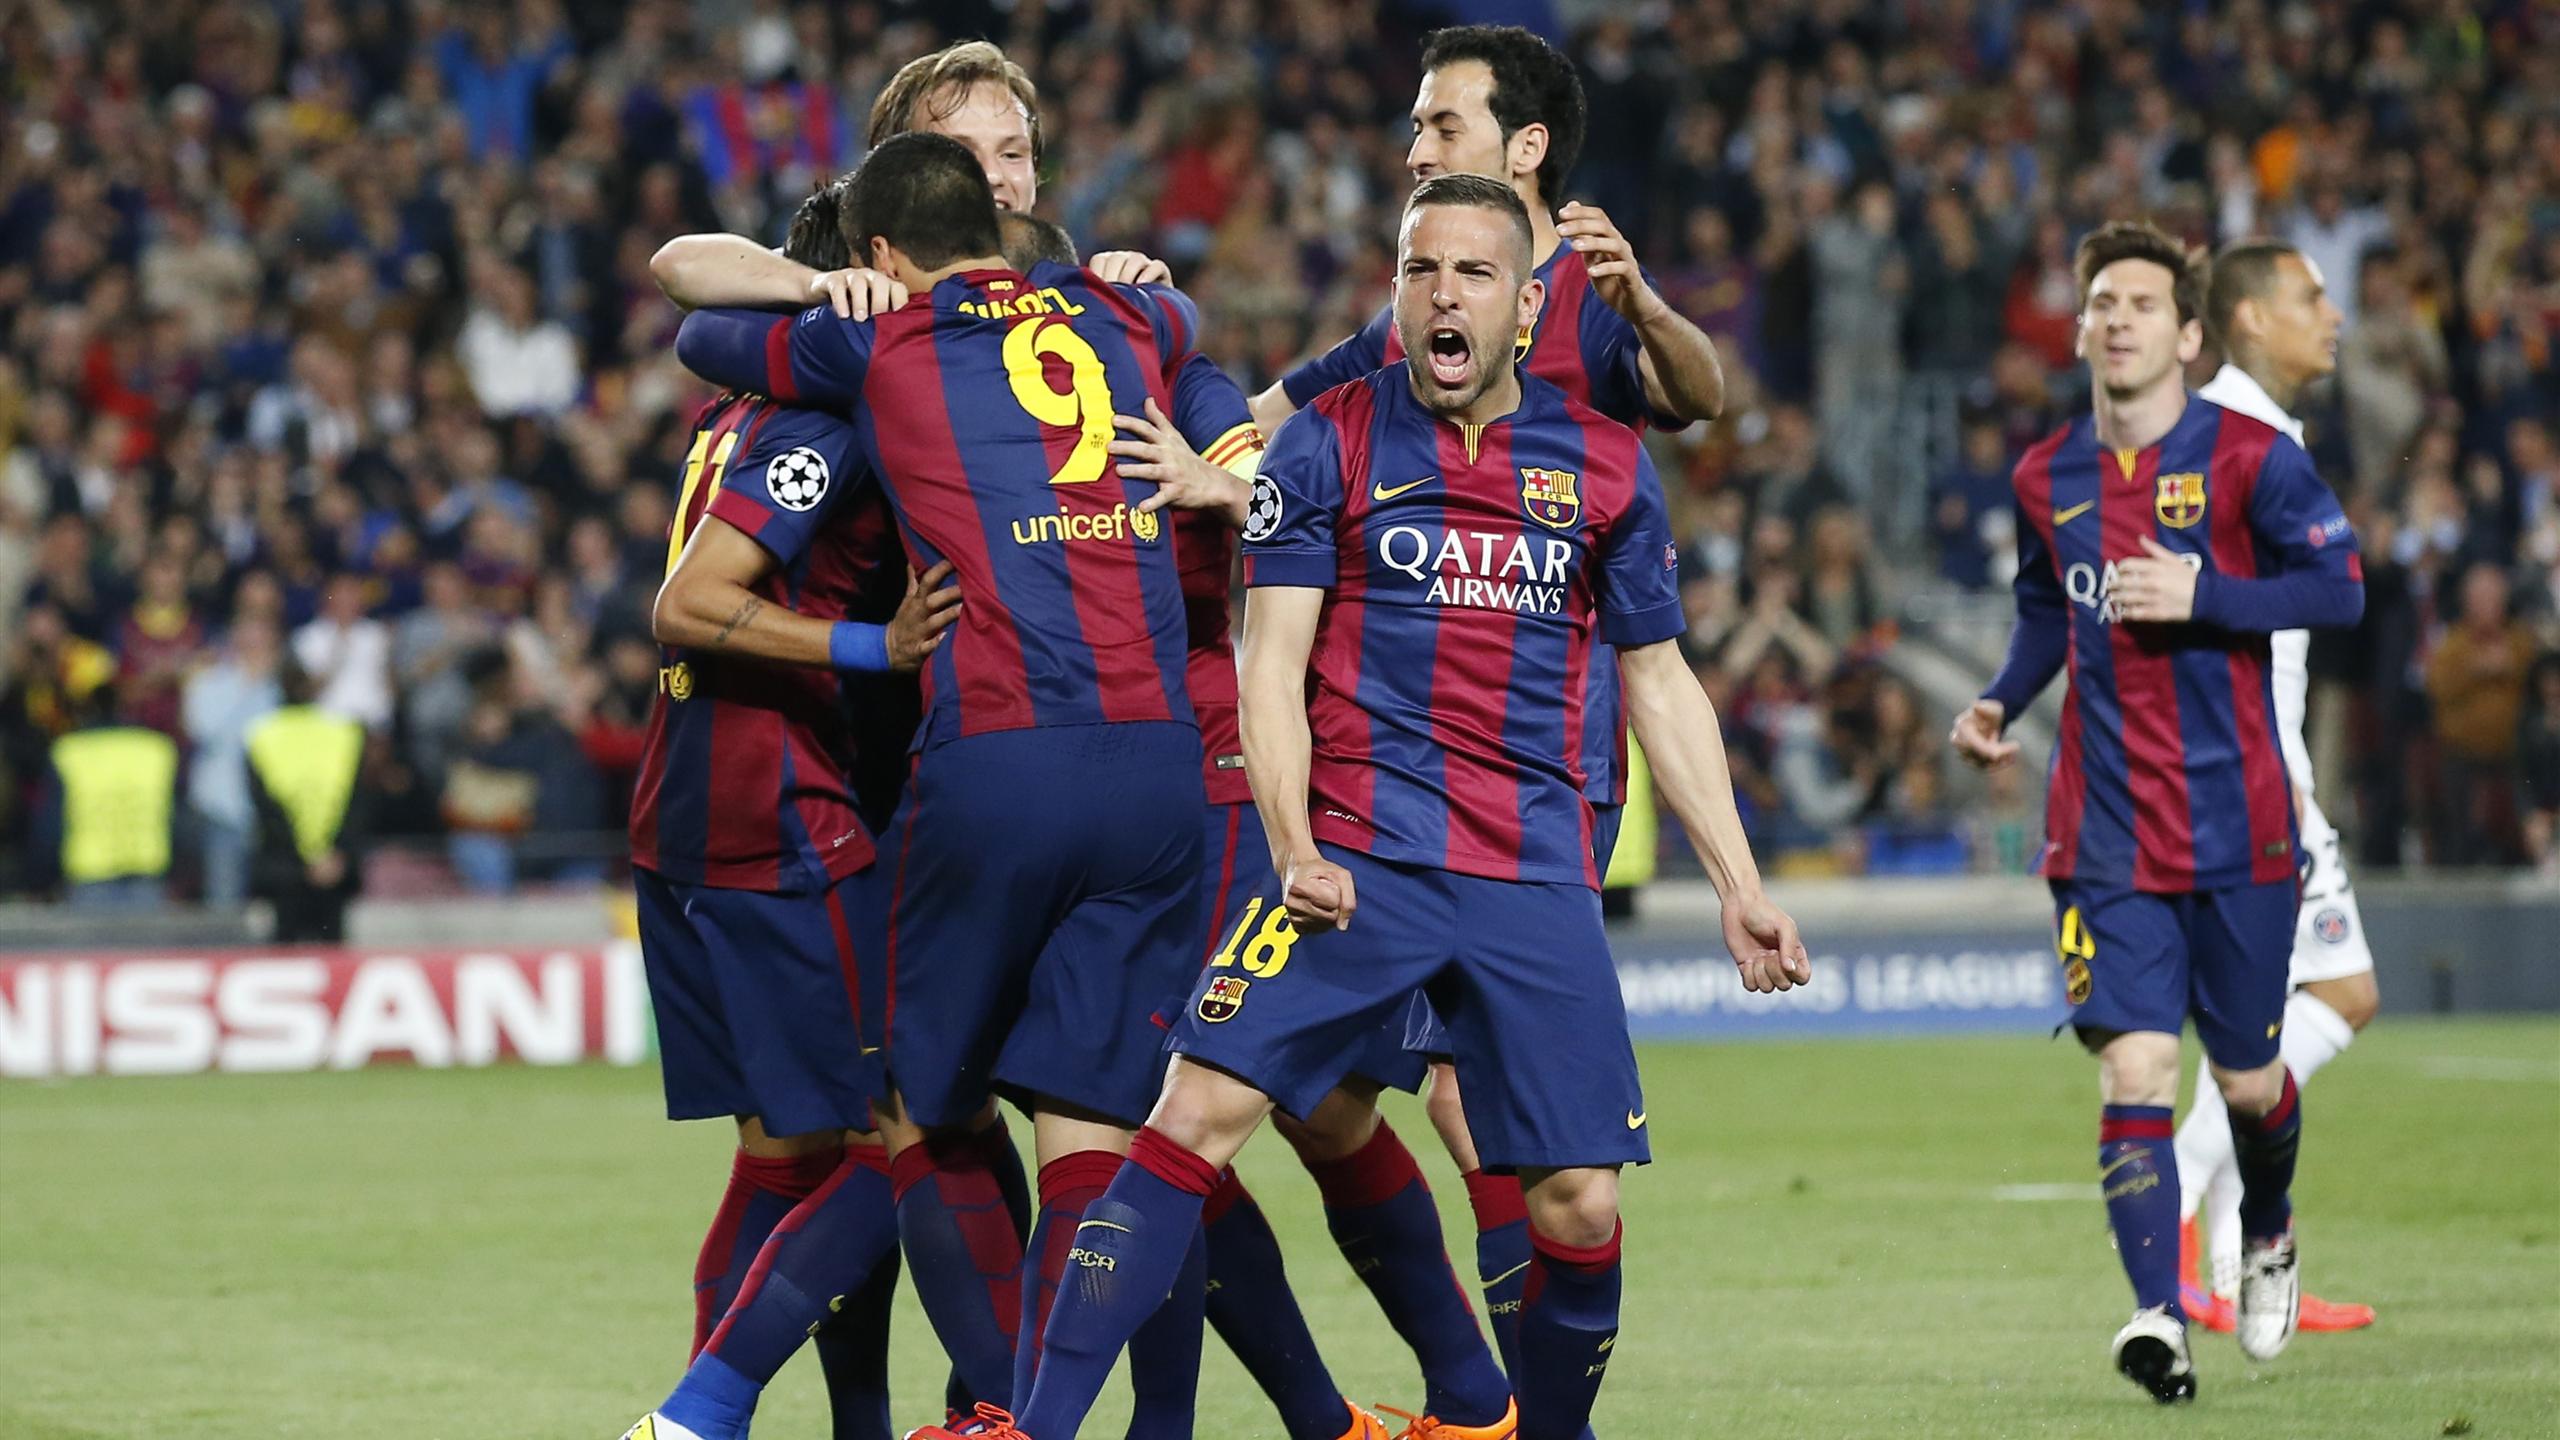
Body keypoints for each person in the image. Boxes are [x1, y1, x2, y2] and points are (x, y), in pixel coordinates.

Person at [926, 174, 1807, 1440]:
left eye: (1471, 275)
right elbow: (1269, 662)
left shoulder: (1603, 464)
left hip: (1529, 872)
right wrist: (1292, 847)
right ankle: (1042, 1425)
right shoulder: (1324, 440)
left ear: (1523, 307)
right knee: (1190, 1114)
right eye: (1417, 270)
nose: (1440, 294)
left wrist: (1739, 884)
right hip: (1355, 864)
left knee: (1577, 1208)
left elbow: (1658, 680)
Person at [665, 131, 1248, 1440]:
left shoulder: (882, 337)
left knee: (906, 1105)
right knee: (1099, 1128)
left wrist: (826, 296)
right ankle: (1059, 1423)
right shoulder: (1128, 314)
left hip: (998, 754)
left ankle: (711, 1406)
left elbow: (701, 333)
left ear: (880, 253)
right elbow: (1187, 317)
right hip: (1160, 771)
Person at [1249, 28, 1730, 1425]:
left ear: (1524, 149)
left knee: (1479, 1114)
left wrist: (1648, 308)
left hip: (1523, 766)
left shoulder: (1576, 299)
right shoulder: (1426, 294)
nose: (1413, 141)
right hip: (1391, 758)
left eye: (1438, 120)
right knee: (1329, 1094)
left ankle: (1500, 1404)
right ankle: (1482, 1394)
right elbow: (1287, 413)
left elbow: (1703, 398)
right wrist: (1188, 446)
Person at [1950, 221, 2364, 1402]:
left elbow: (2340, 588)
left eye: (2140, 303)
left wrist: (2207, 594)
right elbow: (2046, 609)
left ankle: (2269, 1228)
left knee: (2246, 1081)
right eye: (2100, 304)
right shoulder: (2046, 475)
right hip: (2106, 829)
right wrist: (1997, 698)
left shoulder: (2250, 459)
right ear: (2079, 329)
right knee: (2132, 1068)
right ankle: (2153, 1317)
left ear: (2187, 334)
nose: (2116, 320)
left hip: (2239, 824)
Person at [617, 175, 964, 1440]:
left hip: (683, 799)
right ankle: (701, 1411)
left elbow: (681, 268)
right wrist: (877, 648)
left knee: (781, 1154)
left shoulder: (731, 409)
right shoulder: (819, 423)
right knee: (902, 1127)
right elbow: (691, 605)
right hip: (779, 809)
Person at [2171, 239, 2378, 1335]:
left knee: (2253, 1022)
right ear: (2250, 318)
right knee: (2339, 999)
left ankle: (2220, 1265)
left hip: (2254, 770)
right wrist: (2277, 780)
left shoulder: (2250, 434)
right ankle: (2184, 1196)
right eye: (2310, 296)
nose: (2331, 314)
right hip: (2257, 783)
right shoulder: (2236, 446)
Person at [243, 664, 373, 943]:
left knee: (287, 956)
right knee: (333, 953)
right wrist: (336, 854)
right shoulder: (345, 732)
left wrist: (302, 860)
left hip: (285, 867)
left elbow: (266, 808)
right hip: (335, 867)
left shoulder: (262, 733)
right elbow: (357, 801)